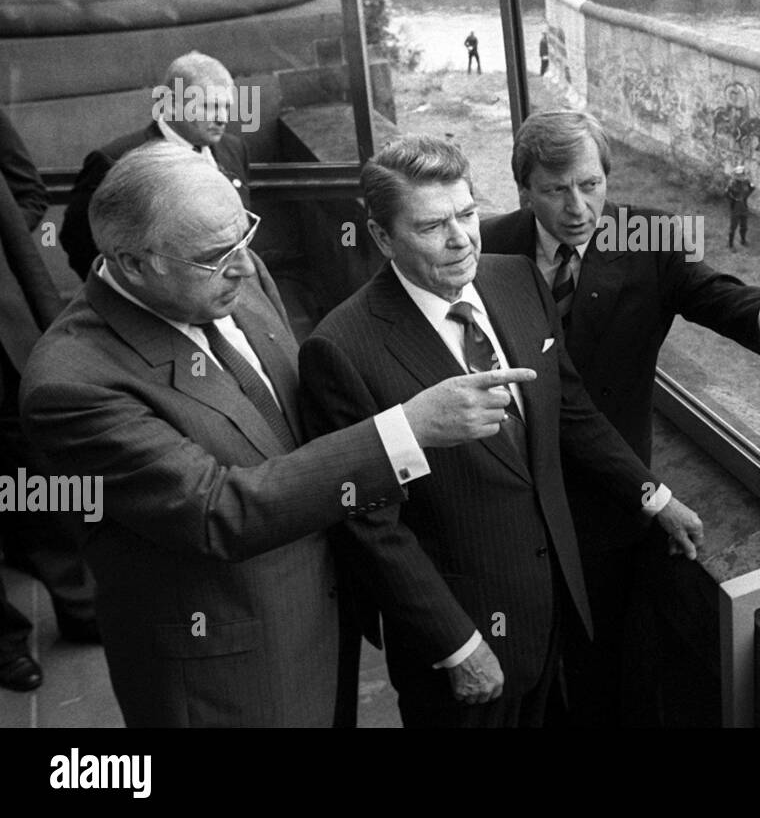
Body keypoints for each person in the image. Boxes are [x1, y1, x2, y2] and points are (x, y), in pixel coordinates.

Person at [20, 142, 532, 727]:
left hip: (327, 633)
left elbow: (296, 438)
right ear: (133, 262)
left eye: (245, 235)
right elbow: (218, 511)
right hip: (230, 678)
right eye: (217, 255)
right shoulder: (71, 386)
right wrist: (406, 429)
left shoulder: (235, 273)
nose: (245, 264)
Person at [298, 135, 704, 728]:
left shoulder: (517, 279)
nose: (461, 238)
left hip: (559, 615)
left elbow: (568, 410)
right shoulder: (341, 349)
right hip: (463, 647)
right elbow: (370, 527)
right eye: (433, 226)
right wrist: (457, 646)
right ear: (383, 238)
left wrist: (653, 495)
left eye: (466, 214)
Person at [479, 110, 760, 725]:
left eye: (591, 184)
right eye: (557, 190)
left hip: (608, 498)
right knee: (522, 658)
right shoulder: (489, 245)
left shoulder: (646, 238)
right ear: (525, 189)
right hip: (508, 493)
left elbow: (708, 291)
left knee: (607, 664)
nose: (579, 207)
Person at [0, 110, 98, 694]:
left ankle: (81, 606)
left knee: (37, 475)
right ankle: (5, 643)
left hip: (7, 336)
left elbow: (24, 194)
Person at [60, 51, 253, 279]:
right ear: (171, 104)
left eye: (226, 107)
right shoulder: (115, 160)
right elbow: (77, 240)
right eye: (209, 107)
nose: (222, 118)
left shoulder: (234, 149)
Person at [726, 164, 756, 249]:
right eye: (739, 175)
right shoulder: (732, 183)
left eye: (742, 174)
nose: (741, 176)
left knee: (744, 226)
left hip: (744, 207)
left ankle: (743, 240)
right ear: (736, 175)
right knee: (733, 227)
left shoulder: (746, 182)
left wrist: (746, 196)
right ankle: (730, 244)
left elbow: (751, 189)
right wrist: (734, 199)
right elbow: (727, 194)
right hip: (735, 208)